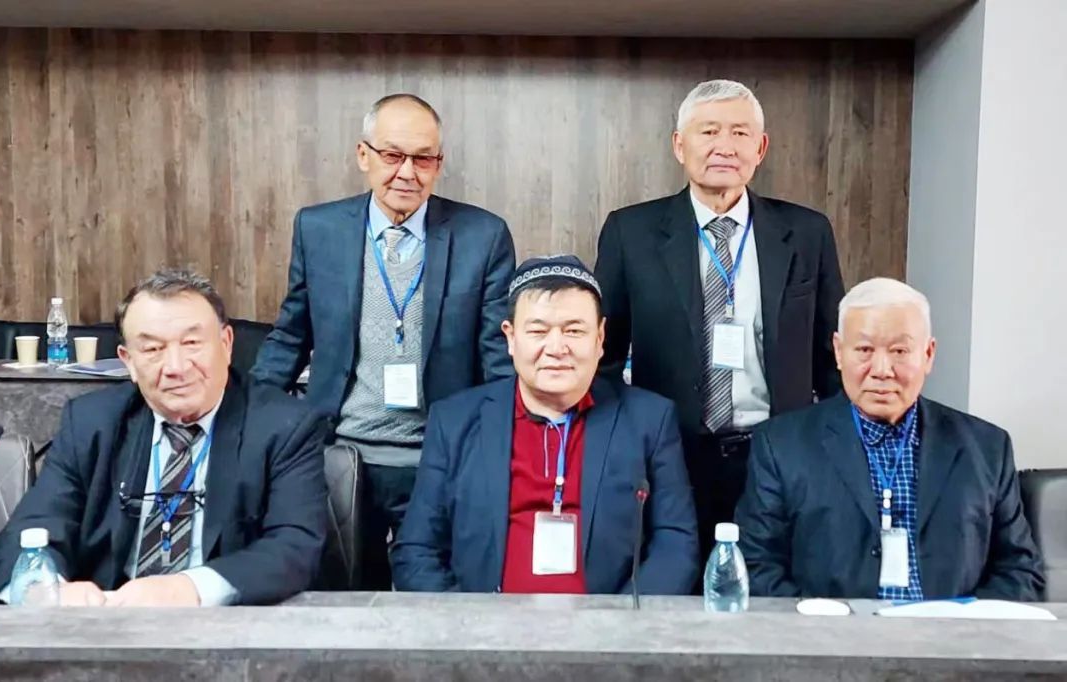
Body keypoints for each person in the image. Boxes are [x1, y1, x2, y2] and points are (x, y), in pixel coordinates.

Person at [251, 94, 516, 590]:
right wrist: (248, 415)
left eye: (424, 158)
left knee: (436, 598)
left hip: (440, 457)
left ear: (439, 163)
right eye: (393, 155)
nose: (407, 173)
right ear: (364, 155)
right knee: (346, 599)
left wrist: (503, 450)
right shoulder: (319, 229)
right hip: (341, 454)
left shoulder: (483, 236)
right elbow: (290, 335)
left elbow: (498, 358)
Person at [594, 79, 845, 556]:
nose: (724, 147)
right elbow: (603, 356)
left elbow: (832, 358)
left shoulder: (807, 232)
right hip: (670, 455)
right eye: (709, 131)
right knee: (675, 581)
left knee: (771, 582)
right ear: (679, 145)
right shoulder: (632, 232)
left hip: (778, 454)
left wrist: (834, 451)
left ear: (761, 148)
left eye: (740, 133)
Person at [0, 270, 328, 606]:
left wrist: (189, 588)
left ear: (226, 344)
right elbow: (31, 530)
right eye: (152, 349)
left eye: (192, 343)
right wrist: (43, 589)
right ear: (129, 361)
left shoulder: (282, 426)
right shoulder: (92, 423)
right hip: (106, 621)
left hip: (227, 625)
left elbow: (293, 546)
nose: (176, 367)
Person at [392, 256, 699, 594]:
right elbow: (416, 552)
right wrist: (472, 620)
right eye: (538, 331)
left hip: (606, 621)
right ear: (510, 338)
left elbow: (676, 545)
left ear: (600, 338)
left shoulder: (649, 421)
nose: (556, 348)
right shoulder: (454, 422)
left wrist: (615, 619)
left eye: (574, 331)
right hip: (485, 620)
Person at [734, 278, 1044, 600]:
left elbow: (1020, 570)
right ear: (839, 352)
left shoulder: (987, 448)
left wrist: (961, 622)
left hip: (950, 630)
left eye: (899, 351)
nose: (882, 370)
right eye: (864, 350)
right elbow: (756, 567)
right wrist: (825, 622)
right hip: (829, 630)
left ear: (928, 354)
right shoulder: (782, 446)